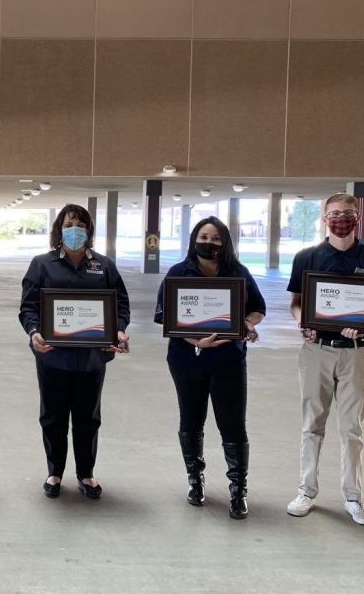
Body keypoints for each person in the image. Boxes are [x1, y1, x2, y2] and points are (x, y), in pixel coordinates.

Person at [286, 192, 364, 526]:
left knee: (351, 429)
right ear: (323, 218)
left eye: (348, 213)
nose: (341, 219)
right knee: (311, 425)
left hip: (356, 355)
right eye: (334, 213)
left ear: (358, 217)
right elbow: (297, 303)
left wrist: (362, 329)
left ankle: (353, 497)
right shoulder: (307, 257)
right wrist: (303, 322)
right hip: (317, 352)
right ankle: (306, 490)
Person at [154, 217, 265, 519]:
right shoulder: (178, 273)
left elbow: (258, 307)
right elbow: (165, 316)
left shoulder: (238, 273)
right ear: (194, 240)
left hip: (229, 361)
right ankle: (195, 480)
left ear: (225, 243)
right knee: (191, 421)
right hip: (186, 360)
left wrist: (246, 323)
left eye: (216, 239)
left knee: (233, 425)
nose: (210, 243)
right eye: (204, 237)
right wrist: (196, 340)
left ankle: (238, 489)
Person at [19, 204, 130, 499]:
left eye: (81, 225)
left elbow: (120, 306)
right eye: (70, 224)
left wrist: (117, 330)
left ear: (89, 231)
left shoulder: (104, 266)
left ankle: (86, 474)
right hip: (53, 356)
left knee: (88, 418)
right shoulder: (42, 264)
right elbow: (28, 307)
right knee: (53, 416)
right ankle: (54, 472)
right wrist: (34, 332)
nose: (75, 230)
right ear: (59, 229)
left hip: (92, 359)